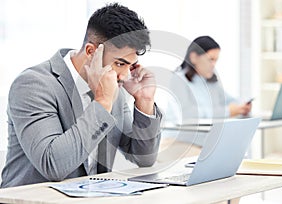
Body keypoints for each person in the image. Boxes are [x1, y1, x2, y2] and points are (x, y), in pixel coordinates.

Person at [1, 3, 162, 188]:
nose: (125, 76)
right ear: (91, 52)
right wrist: (102, 103)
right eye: (119, 63)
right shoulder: (33, 85)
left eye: (130, 65)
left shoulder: (113, 86)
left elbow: (144, 158)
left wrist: (145, 101)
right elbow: (53, 165)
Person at [166, 35, 252, 122]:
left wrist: (242, 106)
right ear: (194, 57)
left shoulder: (210, 82)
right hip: (179, 134)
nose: (214, 64)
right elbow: (188, 113)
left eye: (216, 60)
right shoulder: (178, 80)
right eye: (210, 59)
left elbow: (229, 100)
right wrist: (227, 111)